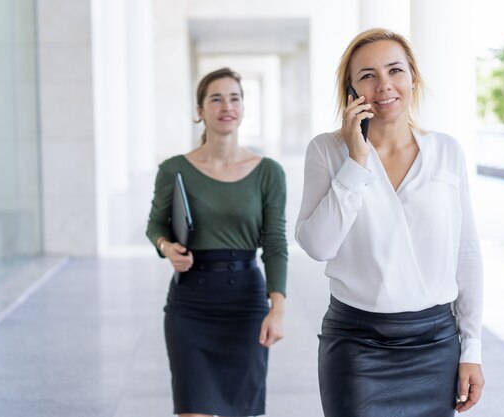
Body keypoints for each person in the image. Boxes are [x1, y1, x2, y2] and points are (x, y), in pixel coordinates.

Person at [295, 28, 485, 416]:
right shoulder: (326, 151)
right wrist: (356, 161)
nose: (384, 86)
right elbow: (318, 246)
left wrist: (472, 349)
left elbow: (466, 253)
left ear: (413, 77)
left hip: (435, 345)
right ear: (350, 91)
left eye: (395, 70)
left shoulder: (447, 151)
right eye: (367, 76)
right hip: (356, 346)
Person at [146, 67, 287, 417]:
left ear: (243, 107)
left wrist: (277, 309)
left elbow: (275, 244)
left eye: (235, 98)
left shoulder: (268, 171)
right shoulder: (174, 169)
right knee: (192, 410)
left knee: (243, 410)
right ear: (200, 110)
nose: (227, 106)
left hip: (245, 303)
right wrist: (167, 248)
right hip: (191, 303)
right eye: (216, 98)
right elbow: (155, 225)